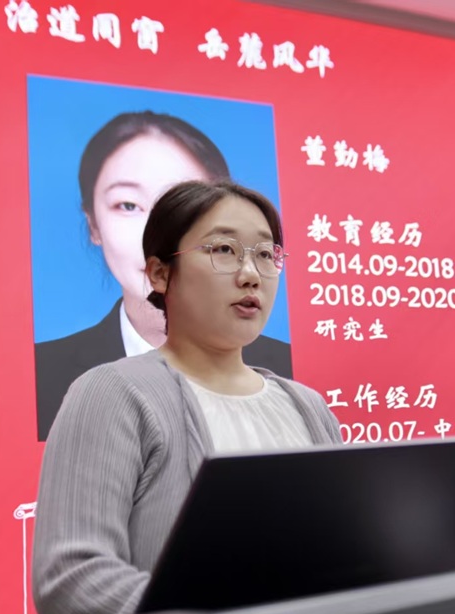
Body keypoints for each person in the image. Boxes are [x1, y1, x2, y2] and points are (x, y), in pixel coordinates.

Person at [31, 180, 342, 614]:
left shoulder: (308, 407)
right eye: (224, 250)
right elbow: (72, 579)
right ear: (160, 274)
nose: (251, 274)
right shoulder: (113, 393)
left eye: (264, 254)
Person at [34, 111, 293, 442]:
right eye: (128, 205)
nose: (152, 232)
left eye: (182, 208)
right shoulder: (52, 374)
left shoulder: (293, 387)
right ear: (93, 224)